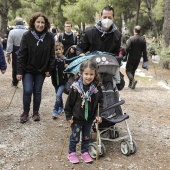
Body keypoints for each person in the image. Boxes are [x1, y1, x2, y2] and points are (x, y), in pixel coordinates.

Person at [16, 12, 55, 123]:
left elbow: (52, 56)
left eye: (42, 22)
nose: (40, 24)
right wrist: (19, 71)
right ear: (33, 23)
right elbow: (22, 55)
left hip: (41, 71)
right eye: (38, 22)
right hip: (28, 70)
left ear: (46, 24)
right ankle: (25, 112)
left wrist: (49, 70)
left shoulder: (49, 37)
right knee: (27, 90)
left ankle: (36, 112)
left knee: (37, 91)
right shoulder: (27, 36)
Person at [64, 60, 103, 164]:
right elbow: (69, 104)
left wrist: (99, 115)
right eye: (86, 74)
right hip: (76, 118)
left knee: (87, 136)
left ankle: (84, 152)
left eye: (91, 74)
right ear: (81, 73)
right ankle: (71, 153)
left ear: (95, 74)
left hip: (89, 118)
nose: (88, 77)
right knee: (74, 137)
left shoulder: (96, 88)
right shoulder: (75, 88)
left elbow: (100, 103)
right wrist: (68, 116)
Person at [6, 17, 27, 87]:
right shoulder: (27, 31)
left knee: (15, 66)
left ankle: (15, 82)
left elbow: (9, 44)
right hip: (25, 51)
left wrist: (8, 54)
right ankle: (26, 81)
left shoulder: (12, 32)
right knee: (26, 65)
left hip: (16, 51)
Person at [51, 42, 68, 119]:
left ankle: (55, 110)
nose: (58, 51)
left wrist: (66, 67)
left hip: (62, 82)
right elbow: (51, 70)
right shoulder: (53, 60)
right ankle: (61, 107)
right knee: (59, 96)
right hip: (55, 82)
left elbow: (69, 70)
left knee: (58, 95)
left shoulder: (65, 60)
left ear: (63, 50)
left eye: (59, 49)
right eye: (56, 49)